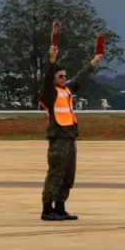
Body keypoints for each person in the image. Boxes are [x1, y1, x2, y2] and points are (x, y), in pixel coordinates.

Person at [38, 44, 102, 221]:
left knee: (68, 174)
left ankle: (60, 207)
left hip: (70, 137)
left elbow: (80, 77)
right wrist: (52, 61)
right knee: (56, 173)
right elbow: (47, 78)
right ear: (53, 78)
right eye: (61, 76)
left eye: (65, 76)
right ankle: (47, 209)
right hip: (57, 138)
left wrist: (93, 62)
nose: (64, 78)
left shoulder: (66, 90)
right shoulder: (49, 94)